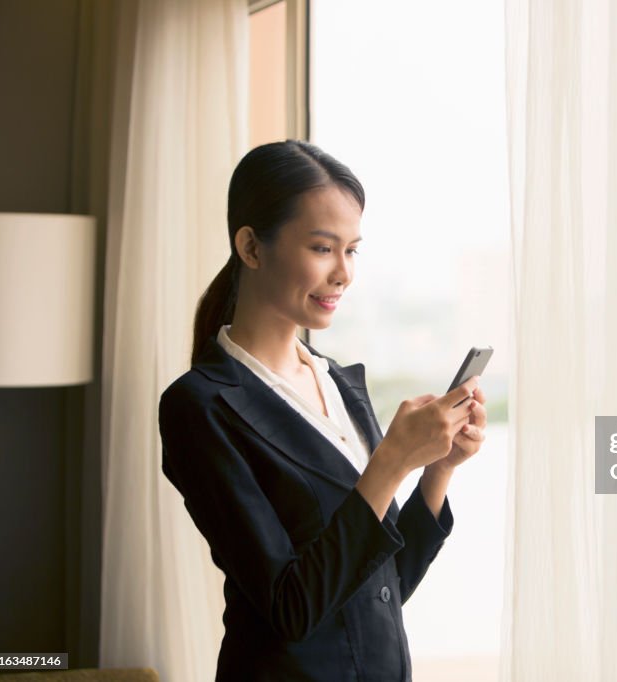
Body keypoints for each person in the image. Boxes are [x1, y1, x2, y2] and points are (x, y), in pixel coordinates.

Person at [158, 140, 487, 681]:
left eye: (352, 250)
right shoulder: (200, 407)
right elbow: (292, 607)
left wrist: (437, 468)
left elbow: (385, 586)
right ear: (251, 247)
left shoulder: (339, 384)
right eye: (321, 248)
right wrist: (391, 462)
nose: (344, 273)